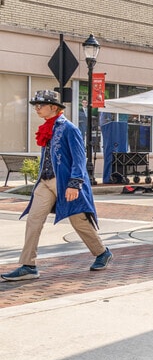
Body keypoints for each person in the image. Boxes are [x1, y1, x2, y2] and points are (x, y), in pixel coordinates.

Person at [2, 90, 112, 281]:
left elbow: (79, 158)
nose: (37, 108)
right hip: (45, 182)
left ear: (53, 107)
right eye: (35, 105)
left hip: (66, 183)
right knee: (33, 220)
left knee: (79, 221)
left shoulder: (69, 128)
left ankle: (102, 252)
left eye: (41, 105)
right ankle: (29, 265)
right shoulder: (48, 127)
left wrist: (74, 184)